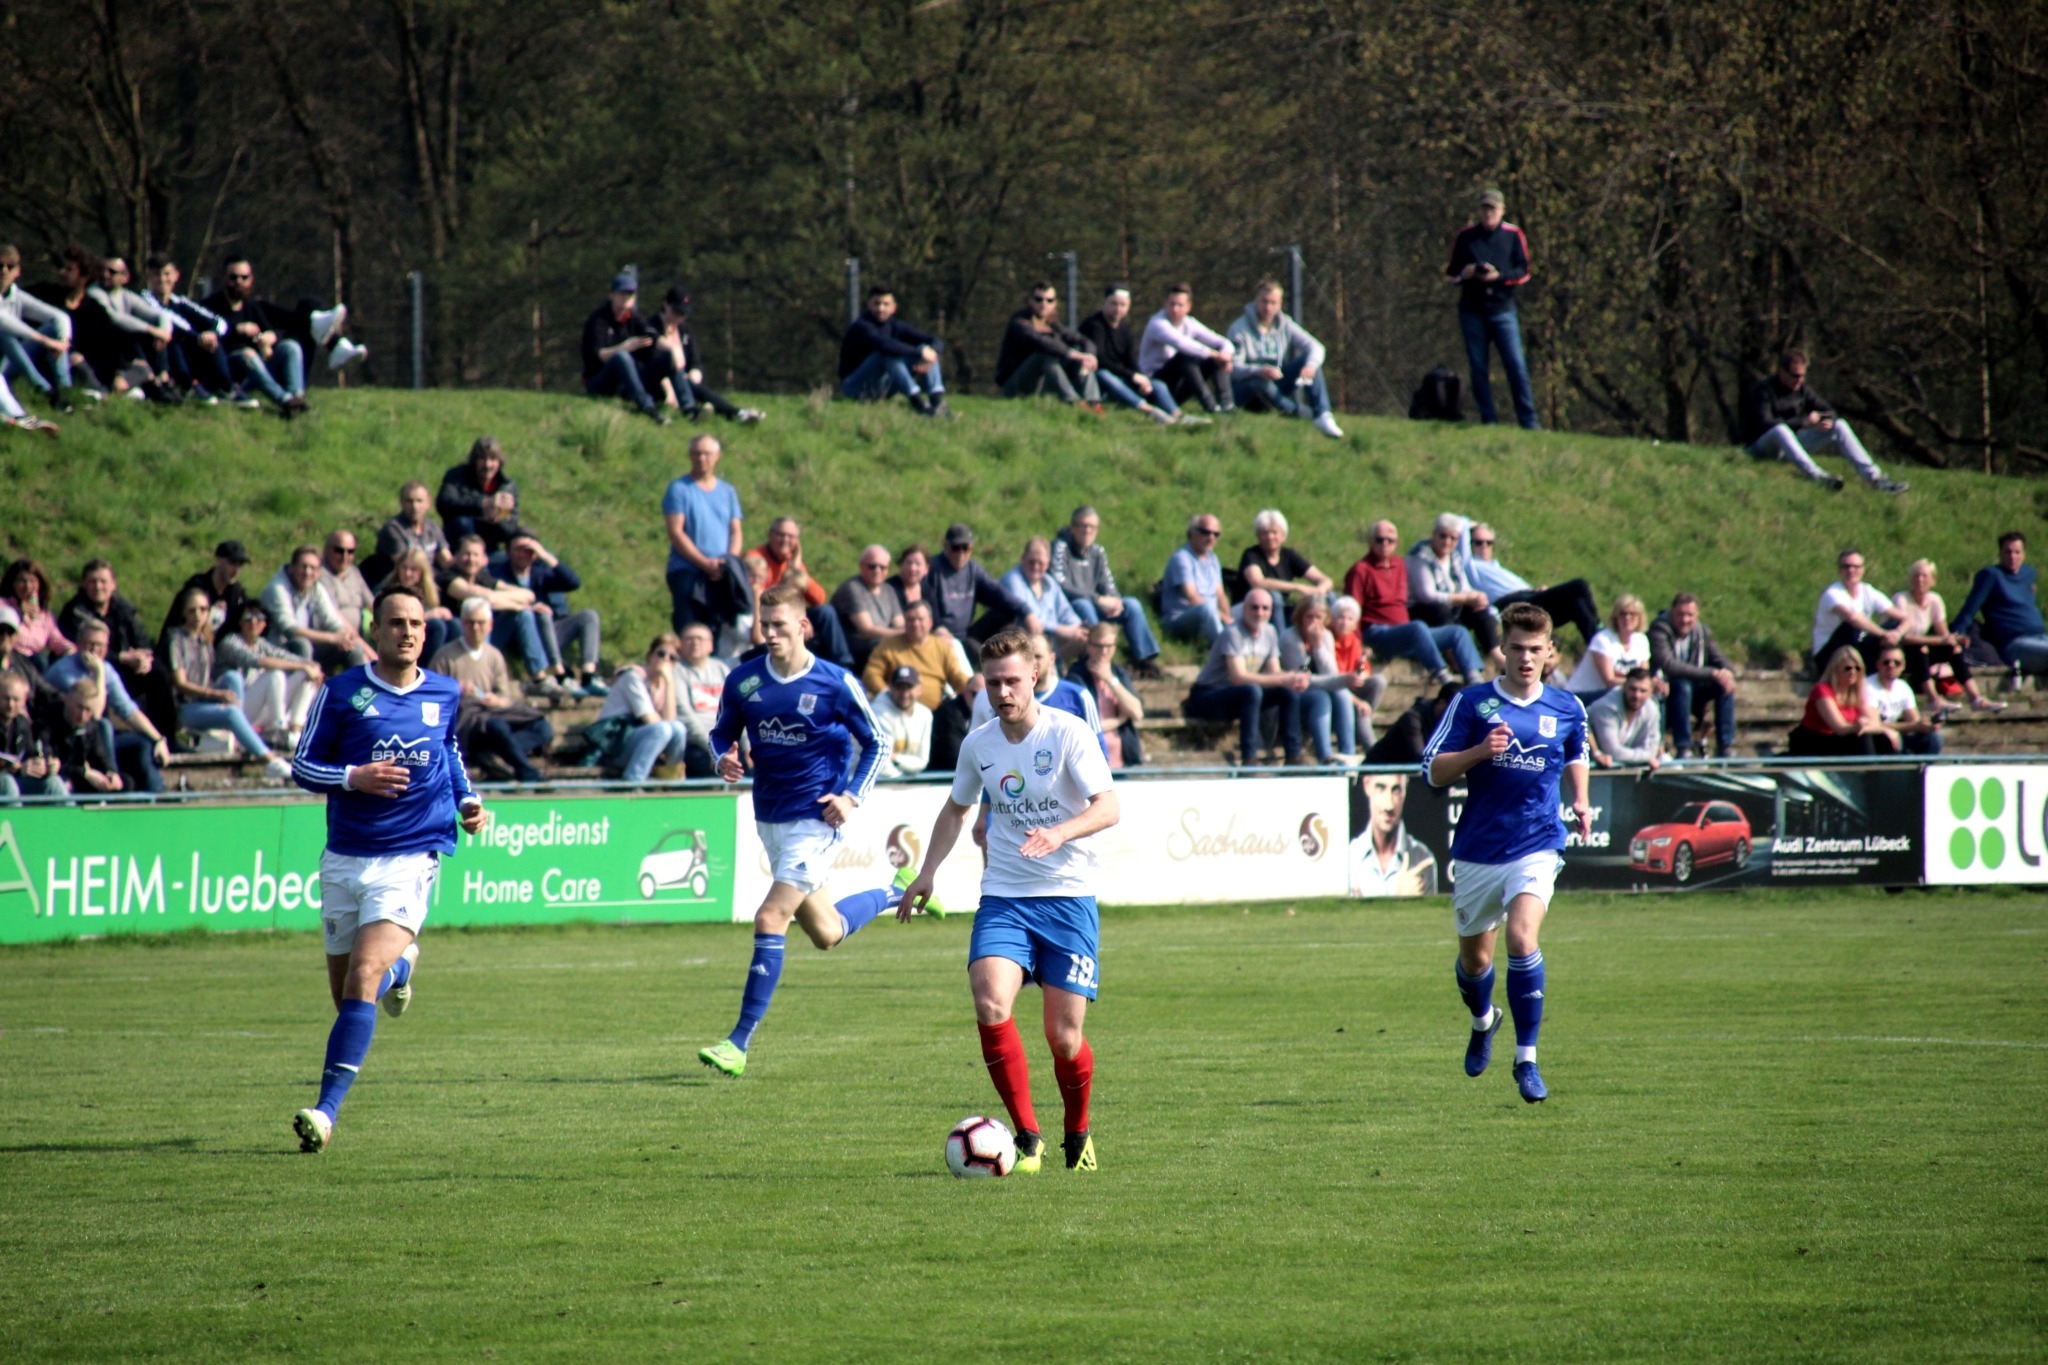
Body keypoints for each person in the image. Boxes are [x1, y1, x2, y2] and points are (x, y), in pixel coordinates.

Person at [898, 625, 1120, 1174]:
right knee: (990, 1001)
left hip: (1068, 898)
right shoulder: (980, 744)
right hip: (1005, 896)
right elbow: (956, 809)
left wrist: (1061, 833)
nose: (1003, 693)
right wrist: (927, 872)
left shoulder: (1068, 733)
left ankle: (1077, 1132)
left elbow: (1109, 806)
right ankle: (1026, 1136)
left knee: (1064, 1040)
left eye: (1013, 681)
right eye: (993, 682)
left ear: (1035, 676)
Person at [287, 585, 490, 1153]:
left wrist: (468, 802)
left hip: (411, 856)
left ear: (427, 633)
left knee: (360, 979)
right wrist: (355, 777)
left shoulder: (445, 692)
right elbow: (302, 765)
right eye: (396, 621)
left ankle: (324, 1113)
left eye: (417, 623)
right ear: (375, 630)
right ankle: (402, 971)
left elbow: (448, 752)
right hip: (345, 857)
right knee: (351, 993)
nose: (407, 631)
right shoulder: (343, 691)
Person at [696, 584, 900, 1080]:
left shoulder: (835, 683)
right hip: (770, 817)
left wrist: (850, 797)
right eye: (765, 625)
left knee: (770, 918)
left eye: (780, 625)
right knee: (826, 933)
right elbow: (720, 730)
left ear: (803, 626)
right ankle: (899, 888)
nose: (771, 634)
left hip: (817, 821)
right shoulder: (743, 681)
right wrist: (723, 754)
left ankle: (738, 1042)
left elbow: (878, 741)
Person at [1423, 602, 1591, 1104]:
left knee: (1521, 938)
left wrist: (1580, 798)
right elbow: (1432, 770)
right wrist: (1479, 752)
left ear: (1549, 652)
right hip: (1479, 848)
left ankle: (1527, 1060)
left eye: (1535, 649)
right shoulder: (1472, 703)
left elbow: (1577, 750)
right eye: (1516, 648)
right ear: (1501, 649)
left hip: (1537, 842)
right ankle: (1483, 1020)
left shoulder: (1566, 708)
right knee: (1475, 962)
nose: (1525, 658)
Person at [165, 587, 294, 782]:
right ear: (184, 612)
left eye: (203, 610)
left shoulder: (205, 639)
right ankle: (270, 761)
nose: (198, 615)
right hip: (186, 707)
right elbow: (180, 683)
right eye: (192, 610)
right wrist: (216, 695)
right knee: (231, 712)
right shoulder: (176, 638)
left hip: (206, 698)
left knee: (233, 676)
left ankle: (239, 737)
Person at [200, 254, 351, 417]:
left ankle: (297, 396)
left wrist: (266, 339)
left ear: (251, 280)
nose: (239, 282)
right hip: (232, 372)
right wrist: (236, 329)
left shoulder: (251, 306)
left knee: (290, 347)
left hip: (257, 370)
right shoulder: (211, 306)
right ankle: (285, 401)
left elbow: (270, 332)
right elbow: (207, 338)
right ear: (224, 279)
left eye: (244, 277)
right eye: (233, 277)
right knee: (247, 355)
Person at [1741, 349, 1907, 493]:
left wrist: (1825, 420)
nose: (1799, 380)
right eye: (1795, 376)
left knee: (1839, 425)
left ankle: (1875, 480)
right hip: (1762, 447)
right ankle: (1818, 476)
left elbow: (1828, 410)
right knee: (1781, 430)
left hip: (1791, 446)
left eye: (1802, 375)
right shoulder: (1764, 390)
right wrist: (1803, 423)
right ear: (1781, 372)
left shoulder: (1802, 389)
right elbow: (1765, 423)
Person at [1344, 521, 1484, 685]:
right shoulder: (1360, 570)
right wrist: (1357, 644)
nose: (1385, 544)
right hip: (1377, 632)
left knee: (1457, 632)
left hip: (1406, 632)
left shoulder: (1399, 565)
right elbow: (1351, 610)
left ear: (1397, 543)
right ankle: (1442, 675)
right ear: (1370, 541)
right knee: (1417, 627)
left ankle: (1474, 679)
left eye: (1390, 540)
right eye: (1379, 540)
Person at [1443, 188, 1538, 430]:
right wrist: (1466, 273)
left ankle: (1528, 421)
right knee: (1478, 367)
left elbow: (1524, 271)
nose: (1488, 213)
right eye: (1485, 208)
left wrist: (1498, 277)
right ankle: (1489, 420)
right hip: (1472, 310)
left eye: (1493, 209)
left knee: (1515, 365)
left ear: (1502, 210)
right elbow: (1451, 274)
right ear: (1478, 211)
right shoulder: (1465, 237)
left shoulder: (1513, 235)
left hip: (1503, 310)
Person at [428, 599, 553, 783]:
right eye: (470, 623)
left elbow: (505, 697)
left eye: (481, 623)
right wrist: (455, 688)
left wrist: (496, 700)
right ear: (463, 623)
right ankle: (527, 772)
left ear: (490, 625)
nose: (476, 628)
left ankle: (495, 755)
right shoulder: (445, 655)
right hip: (467, 722)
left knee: (542, 728)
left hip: (492, 713)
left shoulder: (494, 655)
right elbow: (431, 695)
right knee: (497, 727)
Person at [1182, 589, 1307, 767]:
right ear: (1243, 610)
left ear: (1271, 612)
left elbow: (1274, 672)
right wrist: (1283, 678)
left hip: (1240, 696)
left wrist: (1294, 678)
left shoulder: (1270, 632)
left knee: (1287, 693)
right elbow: (1238, 677)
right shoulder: (1233, 633)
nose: (1259, 613)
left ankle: (1294, 756)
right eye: (1254, 608)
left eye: (1265, 608)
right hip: (1208, 695)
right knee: (1252, 690)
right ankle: (1249, 758)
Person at [46, 619, 169, 793]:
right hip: (68, 743)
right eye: (91, 644)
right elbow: (91, 716)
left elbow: (128, 710)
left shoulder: (106, 669)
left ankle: (158, 796)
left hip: (95, 741)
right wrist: (99, 674)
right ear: (79, 644)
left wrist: (158, 739)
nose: (96, 650)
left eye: (101, 645)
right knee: (104, 725)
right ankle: (111, 782)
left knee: (143, 743)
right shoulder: (64, 672)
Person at [862, 599, 981, 771]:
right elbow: (871, 674)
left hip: (936, 714)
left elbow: (958, 678)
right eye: (910, 620)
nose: (915, 624)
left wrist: (975, 693)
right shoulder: (889, 646)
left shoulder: (941, 647)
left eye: (920, 619)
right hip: (897, 710)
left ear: (930, 622)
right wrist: (889, 696)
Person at [1049, 506, 1161, 676]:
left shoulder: (1097, 551)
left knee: (1131, 604)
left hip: (1097, 607)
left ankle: (1145, 659)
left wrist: (1115, 602)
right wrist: (1098, 600)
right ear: (1072, 527)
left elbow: (1108, 583)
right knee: (1083, 604)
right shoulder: (1060, 547)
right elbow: (1060, 584)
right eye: (1082, 526)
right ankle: (1102, 658)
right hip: (1071, 609)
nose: (1087, 531)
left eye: (1092, 527)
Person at [492, 530, 605, 697]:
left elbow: (572, 582)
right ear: (508, 552)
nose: (523, 554)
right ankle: (553, 676)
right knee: (536, 614)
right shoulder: (499, 574)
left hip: (548, 634)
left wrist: (544, 555)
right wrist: (528, 606)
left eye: (528, 550)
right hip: (520, 637)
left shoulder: (538, 573)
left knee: (588, 616)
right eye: (518, 549)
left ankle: (588, 675)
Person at [1226, 279, 1343, 438]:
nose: (1268, 307)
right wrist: (1258, 371)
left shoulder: (1285, 324)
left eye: (1273, 302)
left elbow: (1316, 347)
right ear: (1256, 301)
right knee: (1259, 384)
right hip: (1247, 389)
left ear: (1280, 303)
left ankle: (1323, 414)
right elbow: (1233, 368)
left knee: (1310, 363)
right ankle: (1297, 411)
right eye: (1264, 302)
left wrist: (1310, 365)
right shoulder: (1239, 328)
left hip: (1275, 383)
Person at [1456, 520, 1600, 647]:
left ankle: (1598, 645)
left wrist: (1536, 591)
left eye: (1489, 543)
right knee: (1579, 585)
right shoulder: (1470, 565)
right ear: (1469, 544)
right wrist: (1473, 524)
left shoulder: (1496, 567)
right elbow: (1460, 522)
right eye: (1479, 542)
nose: (1484, 546)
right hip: (1512, 604)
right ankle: (1601, 631)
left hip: (1531, 596)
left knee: (1576, 604)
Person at [440, 536, 555, 693]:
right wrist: (516, 604)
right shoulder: (448, 577)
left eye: (476, 555)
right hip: (460, 641)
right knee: (482, 618)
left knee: (523, 615)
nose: (471, 559)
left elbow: (528, 594)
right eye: (467, 554)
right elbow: (482, 599)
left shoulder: (482, 577)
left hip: (487, 638)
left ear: (484, 559)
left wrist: (515, 604)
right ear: (457, 555)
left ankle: (539, 678)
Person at [663, 434, 749, 637]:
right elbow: (676, 531)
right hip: (688, 569)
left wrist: (728, 562)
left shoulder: (727, 491)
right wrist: (704, 563)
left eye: (707, 454)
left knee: (718, 627)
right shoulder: (679, 489)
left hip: (721, 571)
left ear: (717, 456)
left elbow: (735, 530)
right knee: (689, 626)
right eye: (696, 453)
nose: (702, 458)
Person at [1891, 559, 2003, 713]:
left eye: (1925, 576)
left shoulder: (1934, 600)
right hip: (1902, 651)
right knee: (1920, 649)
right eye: (1916, 576)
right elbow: (1904, 638)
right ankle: (1933, 700)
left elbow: (1943, 634)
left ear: (1933, 580)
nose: (1920, 580)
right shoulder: (1901, 599)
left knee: (1953, 649)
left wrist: (1955, 640)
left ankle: (1976, 698)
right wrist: (1939, 640)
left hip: (1922, 649)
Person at [214, 599, 323, 749]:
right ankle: (279, 730)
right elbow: (260, 661)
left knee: (305, 676)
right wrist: (304, 666)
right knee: (275, 675)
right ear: (240, 621)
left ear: (264, 624)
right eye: (248, 618)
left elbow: (283, 656)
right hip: (237, 708)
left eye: (258, 618)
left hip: (260, 709)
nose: (253, 622)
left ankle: (295, 731)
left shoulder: (261, 644)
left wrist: (311, 666)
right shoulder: (230, 643)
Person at [646, 285, 764, 424]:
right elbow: (651, 362)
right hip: (659, 384)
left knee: (695, 386)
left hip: (684, 383)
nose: (679, 317)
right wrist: (670, 390)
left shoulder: (685, 330)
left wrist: (695, 374)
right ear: (665, 305)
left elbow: (695, 361)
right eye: (676, 312)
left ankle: (736, 413)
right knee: (685, 380)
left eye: (683, 314)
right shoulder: (651, 327)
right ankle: (731, 413)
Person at [590, 634, 699, 782]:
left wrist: (669, 682)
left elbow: (670, 720)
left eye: (672, 658)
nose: (665, 660)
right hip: (615, 744)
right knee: (662, 729)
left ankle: (669, 779)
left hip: (644, 739)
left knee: (678, 728)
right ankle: (633, 781)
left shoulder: (664, 683)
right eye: (661, 654)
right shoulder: (633, 678)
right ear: (650, 656)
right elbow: (650, 719)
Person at [140, 252, 241, 404]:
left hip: (187, 347)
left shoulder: (180, 302)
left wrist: (212, 333)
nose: (162, 279)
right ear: (149, 277)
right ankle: (188, 386)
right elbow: (169, 319)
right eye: (156, 275)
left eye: (167, 274)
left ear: (176, 276)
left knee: (212, 339)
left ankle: (225, 387)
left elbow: (219, 322)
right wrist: (197, 337)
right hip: (157, 352)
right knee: (175, 341)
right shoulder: (145, 299)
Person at [1648, 593, 1740, 759]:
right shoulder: (1659, 630)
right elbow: (1670, 666)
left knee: (1723, 686)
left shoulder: (1701, 632)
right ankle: (1684, 747)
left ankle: (1725, 746)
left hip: (1693, 692)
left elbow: (1720, 659)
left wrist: (1727, 674)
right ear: (1671, 613)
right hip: (1667, 691)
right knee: (1683, 684)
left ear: (1697, 615)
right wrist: (1712, 673)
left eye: (1689, 615)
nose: (1684, 620)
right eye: (1680, 615)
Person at [1280, 595, 1369, 764]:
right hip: (1294, 692)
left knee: (1341, 693)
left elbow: (1331, 674)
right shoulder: (1290, 638)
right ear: (1301, 617)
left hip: (1317, 687)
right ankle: (1325, 757)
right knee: (1321, 697)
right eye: (1309, 617)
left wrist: (1318, 646)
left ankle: (1348, 754)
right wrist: (1342, 679)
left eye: (1318, 617)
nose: (1313, 622)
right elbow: (1301, 679)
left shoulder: (1326, 636)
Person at [838, 285, 951, 418]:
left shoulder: (896, 325)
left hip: (881, 386)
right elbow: (884, 345)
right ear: (869, 305)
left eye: (886, 304)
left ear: (893, 307)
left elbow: (933, 339)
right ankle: (919, 404)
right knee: (885, 354)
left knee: (925, 349)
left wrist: (932, 351)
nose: (881, 308)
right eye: (876, 304)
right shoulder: (861, 327)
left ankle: (937, 402)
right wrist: (919, 353)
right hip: (855, 387)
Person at [1077, 285, 1182, 424]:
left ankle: (1177, 415)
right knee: (1104, 374)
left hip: (1121, 378)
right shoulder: (1093, 326)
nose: (1118, 309)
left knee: (1158, 385)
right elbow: (1100, 359)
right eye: (1114, 303)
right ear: (1105, 302)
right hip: (1099, 380)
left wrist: (1142, 379)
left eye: (1123, 305)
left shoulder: (1125, 330)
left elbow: (1131, 360)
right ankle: (1148, 410)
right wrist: (1132, 376)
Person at [1952, 531, 2048, 681]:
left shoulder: (2029, 573)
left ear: (2023, 554)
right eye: (2007, 552)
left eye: (2017, 552)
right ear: (2000, 553)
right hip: (2015, 643)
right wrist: (1956, 633)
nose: (2012, 557)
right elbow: (1969, 610)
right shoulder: (1990, 575)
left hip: (2041, 637)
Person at [580, 270, 672, 424]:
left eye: (630, 294)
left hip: (625, 382)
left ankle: (688, 407)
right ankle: (648, 407)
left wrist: (673, 350)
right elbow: (599, 355)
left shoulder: (634, 317)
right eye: (622, 293)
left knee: (667, 357)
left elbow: (653, 335)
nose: (626, 298)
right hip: (599, 381)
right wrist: (624, 347)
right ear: (612, 295)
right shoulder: (598, 320)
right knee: (622, 357)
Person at [263, 546, 369, 673]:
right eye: (303, 566)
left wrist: (343, 636)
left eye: (313, 568)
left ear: (319, 572)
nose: (308, 572)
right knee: (303, 644)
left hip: (308, 649)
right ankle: (305, 688)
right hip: (277, 650)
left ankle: (359, 690)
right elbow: (290, 630)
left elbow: (332, 620)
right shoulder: (277, 588)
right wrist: (333, 638)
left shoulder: (315, 587)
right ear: (292, 568)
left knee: (353, 647)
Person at [994, 282, 1103, 406]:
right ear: (1030, 301)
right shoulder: (1020, 322)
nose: (1044, 304)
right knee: (1045, 355)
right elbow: (1040, 342)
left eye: (1049, 300)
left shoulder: (1053, 323)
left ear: (1055, 303)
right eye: (1039, 299)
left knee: (1081, 353)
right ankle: (1073, 402)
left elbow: (1083, 340)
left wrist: (1089, 355)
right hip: (1015, 385)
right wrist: (1072, 354)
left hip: (1043, 384)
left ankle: (1093, 403)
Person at [1407, 513, 1498, 657]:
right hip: (1423, 610)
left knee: (1479, 609)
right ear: (1434, 535)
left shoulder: (1454, 557)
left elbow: (1464, 587)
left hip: (1451, 608)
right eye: (1443, 536)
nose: (1447, 541)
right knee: (1439, 609)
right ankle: (1454, 655)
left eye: (1453, 538)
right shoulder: (1420, 557)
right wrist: (1464, 599)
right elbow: (1427, 595)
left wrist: (1476, 596)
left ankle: (1496, 654)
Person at [57, 558, 154, 692]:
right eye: (92, 582)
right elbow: (81, 650)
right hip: (89, 666)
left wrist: (143, 658)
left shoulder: (123, 608)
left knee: (156, 672)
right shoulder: (75, 612)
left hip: (126, 665)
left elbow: (142, 639)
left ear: (113, 584)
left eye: (103, 581)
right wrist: (122, 658)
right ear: (84, 584)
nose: (98, 587)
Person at [1138, 283, 1235, 414]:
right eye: (1172, 304)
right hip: (1153, 385)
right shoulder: (1157, 323)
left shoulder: (1190, 323)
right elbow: (1182, 343)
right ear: (1165, 304)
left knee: (1215, 359)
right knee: (1185, 356)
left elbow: (1223, 341)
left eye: (1180, 305)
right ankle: (1210, 406)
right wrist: (1215, 355)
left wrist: (1225, 354)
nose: (1175, 309)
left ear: (1189, 307)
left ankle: (1227, 404)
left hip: (1178, 384)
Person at [0, 243, 78, 406]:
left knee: (55, 329)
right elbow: (5, 321)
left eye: (10, 266)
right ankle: (45, 390)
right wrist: (45, 341)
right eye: (0, 265)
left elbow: (60, 317)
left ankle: (65, 390)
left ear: (18, 271)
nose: (4, 271)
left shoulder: (18, 296)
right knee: (5, 334)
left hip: (12, 362)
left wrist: (63, 342)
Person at [930, 523, 1032, 645]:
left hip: (967, 634)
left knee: (1008, 611)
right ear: (946, 547)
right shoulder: (933, 569)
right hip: (940, 635)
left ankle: (1000, 651)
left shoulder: (973, 569)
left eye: (966, 548)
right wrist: (936, 627)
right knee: (974, 649)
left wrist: (1026, 613)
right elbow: (927, 604)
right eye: (956, 548)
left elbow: (997, 592)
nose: (961, 554)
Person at [1067, 622, 1144, 769]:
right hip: (1089, 761)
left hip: (1122, 759)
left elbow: (1136, 713)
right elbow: (1084, 726)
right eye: (1099, 646)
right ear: (1089, 645)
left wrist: (1110, 679)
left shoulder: (1119, 673)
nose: (1104, 652)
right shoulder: (1076, 676)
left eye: (1109, 646)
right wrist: (1119, 720)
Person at [1811, 547, 1900, 673]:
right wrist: (1883, 634)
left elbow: (1903, 617)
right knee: (1852, 627)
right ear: (1840, 570)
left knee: (1893, 625)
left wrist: (1897, 634)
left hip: (1856, 647)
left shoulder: (1868, 591)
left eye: (1856, 567)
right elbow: (1852, 618)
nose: (1851, 570)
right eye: (1846, 567)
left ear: (1863, 569)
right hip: (1828, 654)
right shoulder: (1832, 593)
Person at [1787, 646, 1886, 756]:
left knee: (1883, 738)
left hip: (1839, 740)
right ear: (1836, 669)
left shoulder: (1859, 692)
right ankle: (1871, 771)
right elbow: (1839, 727)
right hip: (1816, 741)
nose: (1853, 672)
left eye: (1857, 669)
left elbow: (1876, 724)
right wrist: (1858, 726)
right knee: (1862, 738)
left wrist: (1864, 726)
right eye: (1848, 668)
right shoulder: (1822, 690)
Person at [1349, 773, 1437, 897]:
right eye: (1381, 788)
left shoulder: (1422, 858)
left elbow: (1431, 915)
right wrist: (1401, 898)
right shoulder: (1350, 857)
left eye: (1396, 790)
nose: (1389, 805)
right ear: (1366, 785)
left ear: (1404, 792)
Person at [1001, 537, 1089, 659]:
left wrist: (1076, 627)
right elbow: (1033, 619)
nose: (1035, 567)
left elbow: (1065, 611)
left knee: (1084, 638)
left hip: (1050, 638)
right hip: (1024, 637)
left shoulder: (1049, 582)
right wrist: (1063, 631)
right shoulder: (1012, 580)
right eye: (1031, 562)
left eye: (1040, 563)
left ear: (1048, 563)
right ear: (1022, 559)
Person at [436, 436, 523, 553]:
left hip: (488, 548)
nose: (487, 465)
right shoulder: (457, 476)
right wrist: (484, 503)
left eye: (493, 459)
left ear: (499, 462)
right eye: (482, 459)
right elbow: (444, 503)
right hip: (457, 545)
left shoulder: (507, 487)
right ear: (474, 460)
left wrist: (496, 520)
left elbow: (509, 530)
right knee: (462, 522)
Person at [1239, 509, 1335, 614]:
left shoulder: (1289, 555)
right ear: (1258, 536)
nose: (1270, 537)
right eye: (1265, 533)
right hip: (1255, 610)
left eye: (1274, 532)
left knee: (1330, 596)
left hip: (1285, 607)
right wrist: (1298, 588)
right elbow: (1258, 582)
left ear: (1283, 536)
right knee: (1274, 597)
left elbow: (1326, 580)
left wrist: (1320, 590)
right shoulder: (1251, 555)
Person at [1565, 594, 1656, 701]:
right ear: (1616, 617)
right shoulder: (1603, 639)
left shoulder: (1641, 640)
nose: (1627, 617)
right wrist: (1636, 684)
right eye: (1623, 614)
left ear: (1640, 617)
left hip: (1614, 694)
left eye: (1632, 614)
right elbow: (1609, 681)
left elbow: (1643, 678)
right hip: (1582, 696)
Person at [49, 675, 123, 799]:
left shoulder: (91, 726)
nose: (83, 715)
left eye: (88, 710)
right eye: (80, 707)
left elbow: (101, 755)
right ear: (67, 699)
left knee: (124, 783)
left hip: (81, 775)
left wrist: (111, 772)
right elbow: (55, 762)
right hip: (61, 775)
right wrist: (85, 773)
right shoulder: (50, 721)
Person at [1161, 513, 1229, 646]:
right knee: (1207, 608)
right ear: (1192, 533)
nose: (1211, 538)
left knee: (1253, 605)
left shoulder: (1213, 559)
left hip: (1213, 615)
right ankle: (1224, 650)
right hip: (1182, 618)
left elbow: (1221, 595)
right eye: (1205, 532)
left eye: (1216, 534)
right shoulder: (1181, 558)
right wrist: (1224, 618)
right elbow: (1192, 597)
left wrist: (1230, 619)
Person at [165, 540, 253, 642]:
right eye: (232, 563)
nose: (236, 570)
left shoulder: (236, 593)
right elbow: (178, 623)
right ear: (219, 560)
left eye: (240, 564)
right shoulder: (197, 587)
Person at [832, 545, 905, 667]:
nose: (877, 570)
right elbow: (867, 630)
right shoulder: (852, 588)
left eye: (882, 567)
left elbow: (900, 623)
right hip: (860, 651)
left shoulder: (889, 590)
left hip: (883, 644)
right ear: (861, 565)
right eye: (872, 566)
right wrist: (903, 635)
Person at [378, 549, 456, 660]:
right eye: (404, 567)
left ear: (422, 572)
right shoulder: (389, 589)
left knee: (454, 625)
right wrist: (431, 615)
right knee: (437, 626)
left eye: (413, 569)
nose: (407, 573)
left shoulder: (428, 591)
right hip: (401, 632)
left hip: (421, 633)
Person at [1866, 645, 1942, 755]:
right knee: (1886, 739)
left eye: (1897, 663)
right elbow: (1874, 724)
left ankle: (1922, 769)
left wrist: (1927, 725)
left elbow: (1914, 721)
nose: (1891, 666)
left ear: (1903, 666)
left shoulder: (1903, 687)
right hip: (1877, 738)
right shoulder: (1868, 686)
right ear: (1878, 664)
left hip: (1897, 735)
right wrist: (1913, 726)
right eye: (1886, 662)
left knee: (1933, 738)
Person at [671, 625, 729, 769]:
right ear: (681, 644)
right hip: (696, 741)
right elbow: (684, 713)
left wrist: (747, 746)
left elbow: (738, 708)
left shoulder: (721, 669)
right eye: (689, 639)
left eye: (700, 639)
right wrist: (711, 745)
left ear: (710, 644)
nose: (695, 643)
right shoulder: (676, 671)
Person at [373, 480, 454, 582]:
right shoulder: (393, 529)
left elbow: (447, 561)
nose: (414, 507)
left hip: (430, 580)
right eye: (409, 501)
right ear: (401, 502)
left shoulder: (432, 527)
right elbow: (407, 568)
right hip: (400, 583)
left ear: (428, 502)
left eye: (419, 501)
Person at [0, 672, 63, 801]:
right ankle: (16, 821)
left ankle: (70, 819)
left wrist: (45, 764)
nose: (11, 705)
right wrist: (16, 770)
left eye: (16, 700)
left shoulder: (22, 723)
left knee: (53, 782)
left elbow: (32, 752)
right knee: (7, 782)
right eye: (6, 698)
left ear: (24, 700)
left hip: (17, 781)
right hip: (6, 782)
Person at [1588, 666, 1662, 768]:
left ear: (1650, 692)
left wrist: (1648, 757)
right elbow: (1612, 751)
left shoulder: (1652, 708)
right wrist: (1646, 758)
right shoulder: (1606, 707)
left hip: (1621, 767)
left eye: (1643, 691)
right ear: (1624, 686)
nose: (1637, 695)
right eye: (1632, 689)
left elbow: (1652, 749)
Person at [2, 558, 72, 664]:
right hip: (9, 657)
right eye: (22, 581)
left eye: (32, 581)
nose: (27, 586)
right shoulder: (3, 605)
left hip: (33, 662)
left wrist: (70, 650)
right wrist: (19, 614)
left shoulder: (44, 615)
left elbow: (56, 640)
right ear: (13, 583)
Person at [871, 665, 933, 779]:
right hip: (874, 782)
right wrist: (905, 782)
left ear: (919, 689)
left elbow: (922, 761)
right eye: (899, 687)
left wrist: (895, 758)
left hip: (905, 782)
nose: (905, 694)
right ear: (890, 688)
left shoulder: (925, 714)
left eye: (909, 687)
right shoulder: (878, 712)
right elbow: (882, 764)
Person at [751, 518, 829, 608]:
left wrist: (796, 569)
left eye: (791, 537)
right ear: (770, 534)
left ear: (797, 541)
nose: (785, 540)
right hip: (764, 610)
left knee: (825, 611)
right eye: (781, 534)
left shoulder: (793, 562)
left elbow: (819, 599)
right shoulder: (756, 558)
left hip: (788, 611)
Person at [319, 530, 376, 637]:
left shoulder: (353, 572)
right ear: (327, 549)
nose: (345, 557)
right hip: (336, 636)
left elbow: (372, 604)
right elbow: (333, 614)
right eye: (339, 551)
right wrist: (358, 642)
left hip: (358, 635)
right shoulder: (320, 574)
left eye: (350, 552)